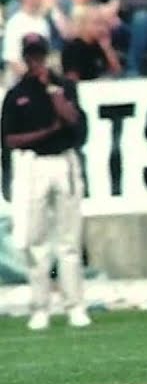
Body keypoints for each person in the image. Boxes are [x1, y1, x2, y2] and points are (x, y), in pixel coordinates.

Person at [1, 34, 90, 330]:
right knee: (35, 241)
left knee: (69, 240)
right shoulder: (17, 94)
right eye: (31, 56)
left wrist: (53, 92)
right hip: (33, 163)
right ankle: (40, 306)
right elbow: (10, 139)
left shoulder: (64, 87)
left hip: (63, 160)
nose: (35, 61)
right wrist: (48, 131)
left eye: (39, 55)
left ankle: (75, 305)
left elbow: (75, 123)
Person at [61, 7, 122, 81]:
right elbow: (72, 80)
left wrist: (107, 48)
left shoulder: (101, 45)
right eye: (97, 23)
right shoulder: (72, 48)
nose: (101, 28)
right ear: (83, 25)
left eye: (104, 23)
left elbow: (117, 72)